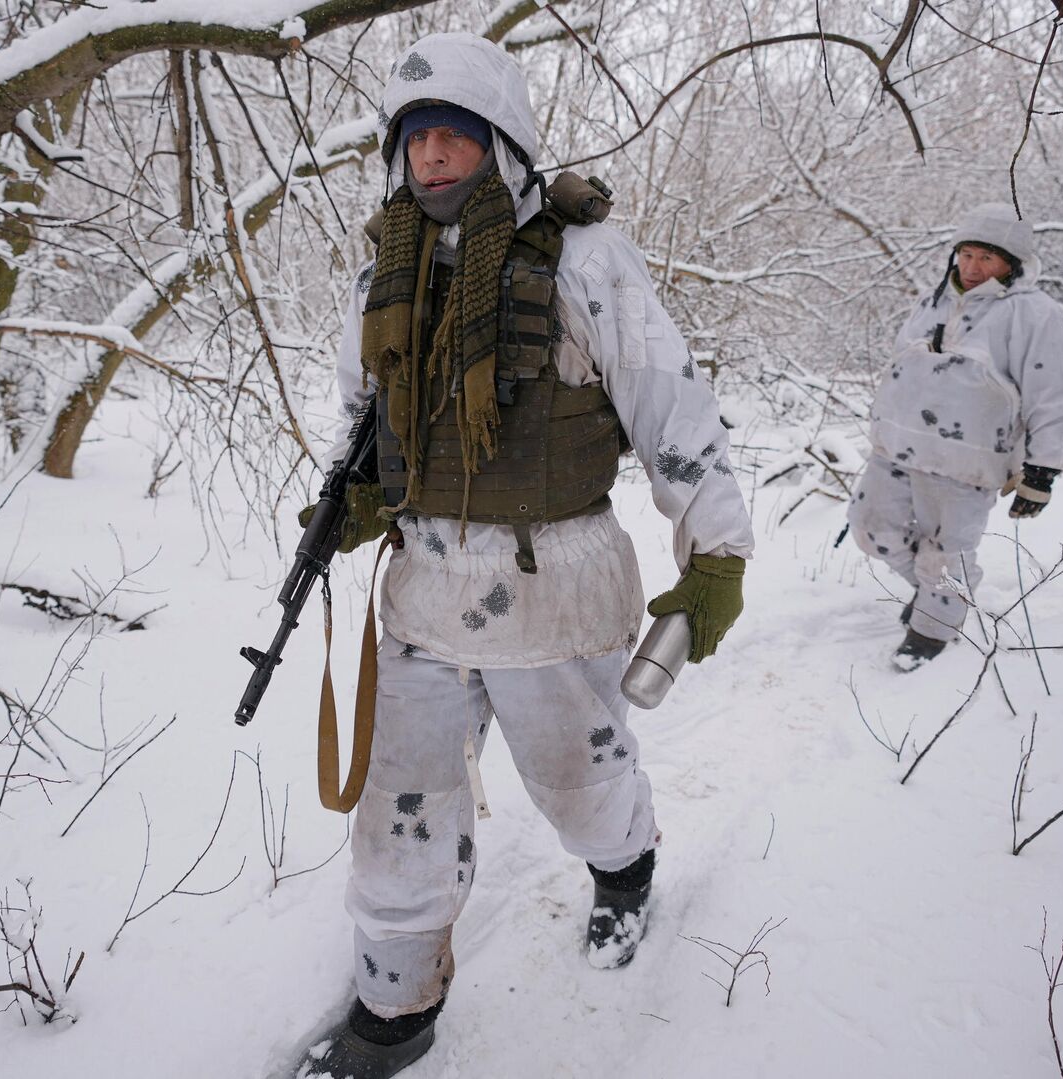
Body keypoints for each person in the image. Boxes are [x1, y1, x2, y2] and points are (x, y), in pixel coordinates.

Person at [291, 32, 755, 1079]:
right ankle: (393, 1011)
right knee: (398, 812)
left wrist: (715, 551)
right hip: (424, 585)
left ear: (503, 142)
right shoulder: (386, 270)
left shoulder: (588, 261)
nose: (435, 156)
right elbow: (363, 412)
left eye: (458, 133)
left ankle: (625, 876)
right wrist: (355, 501)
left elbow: (674, 409)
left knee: (581, 786)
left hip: (555, 585)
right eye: (417, 137)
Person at [848, 203, 1063, 670]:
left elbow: (1051, 392)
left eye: (986, 259)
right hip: (899, 444)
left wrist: (1042, 469)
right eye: (966, 255)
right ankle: (942, 595)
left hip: (968, 459)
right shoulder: (933, 300)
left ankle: (934, 629)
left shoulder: (1034, 313)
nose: (972, 268)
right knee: (871, 526)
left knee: (947, 550)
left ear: (1011, 263)